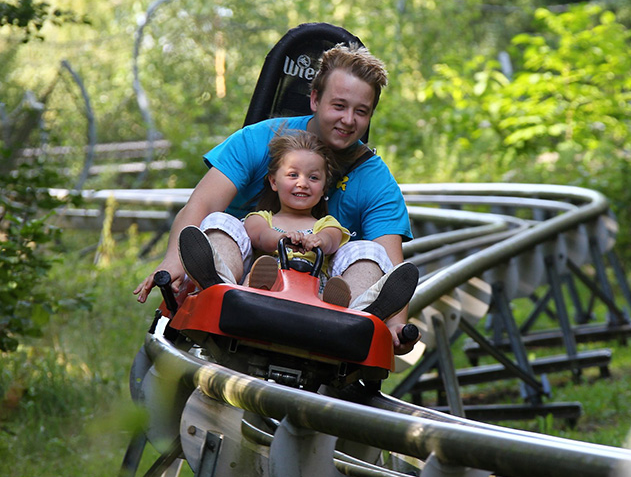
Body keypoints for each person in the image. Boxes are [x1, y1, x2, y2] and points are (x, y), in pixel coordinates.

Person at [134, 42, 418, 354]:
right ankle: (218, 282)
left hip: (324, 294)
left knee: (369, 252)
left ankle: (363, 310)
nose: (349, 120)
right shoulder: (258, 140)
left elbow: (390, 260)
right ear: (315, 99)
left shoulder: (377, 182)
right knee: (218, 222)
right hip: (249, 275)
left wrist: (397, 324)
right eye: (339, 106)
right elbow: (201, 205)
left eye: (360, 112)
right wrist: (173, 262)